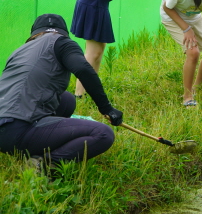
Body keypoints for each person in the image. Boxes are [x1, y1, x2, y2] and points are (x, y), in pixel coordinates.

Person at [0, 14, 123, 172]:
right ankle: (45, 164)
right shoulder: (62, 42)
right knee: (103, 134)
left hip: (5, 127)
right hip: (18, 128)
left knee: (67, 100)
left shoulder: (18, 51)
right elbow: (83, 69)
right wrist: (106, 108)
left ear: (34, 34)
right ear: (63, 32)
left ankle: (35, 146)